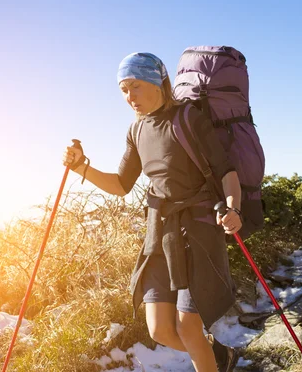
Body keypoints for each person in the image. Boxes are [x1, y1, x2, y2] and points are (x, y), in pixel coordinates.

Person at [63, 52, 241, 372]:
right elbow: (120, 184)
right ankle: (217, 354)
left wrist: (233, 208)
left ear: (157, 83)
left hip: (198, 228)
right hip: (159, 233)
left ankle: (210, 358)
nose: (129, 97)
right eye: (123, 90)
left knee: (188, 328)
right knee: (159, 329)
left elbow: (226, 172)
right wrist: (81, 167)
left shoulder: (188, 117)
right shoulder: (136, 131)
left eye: (135, 86)